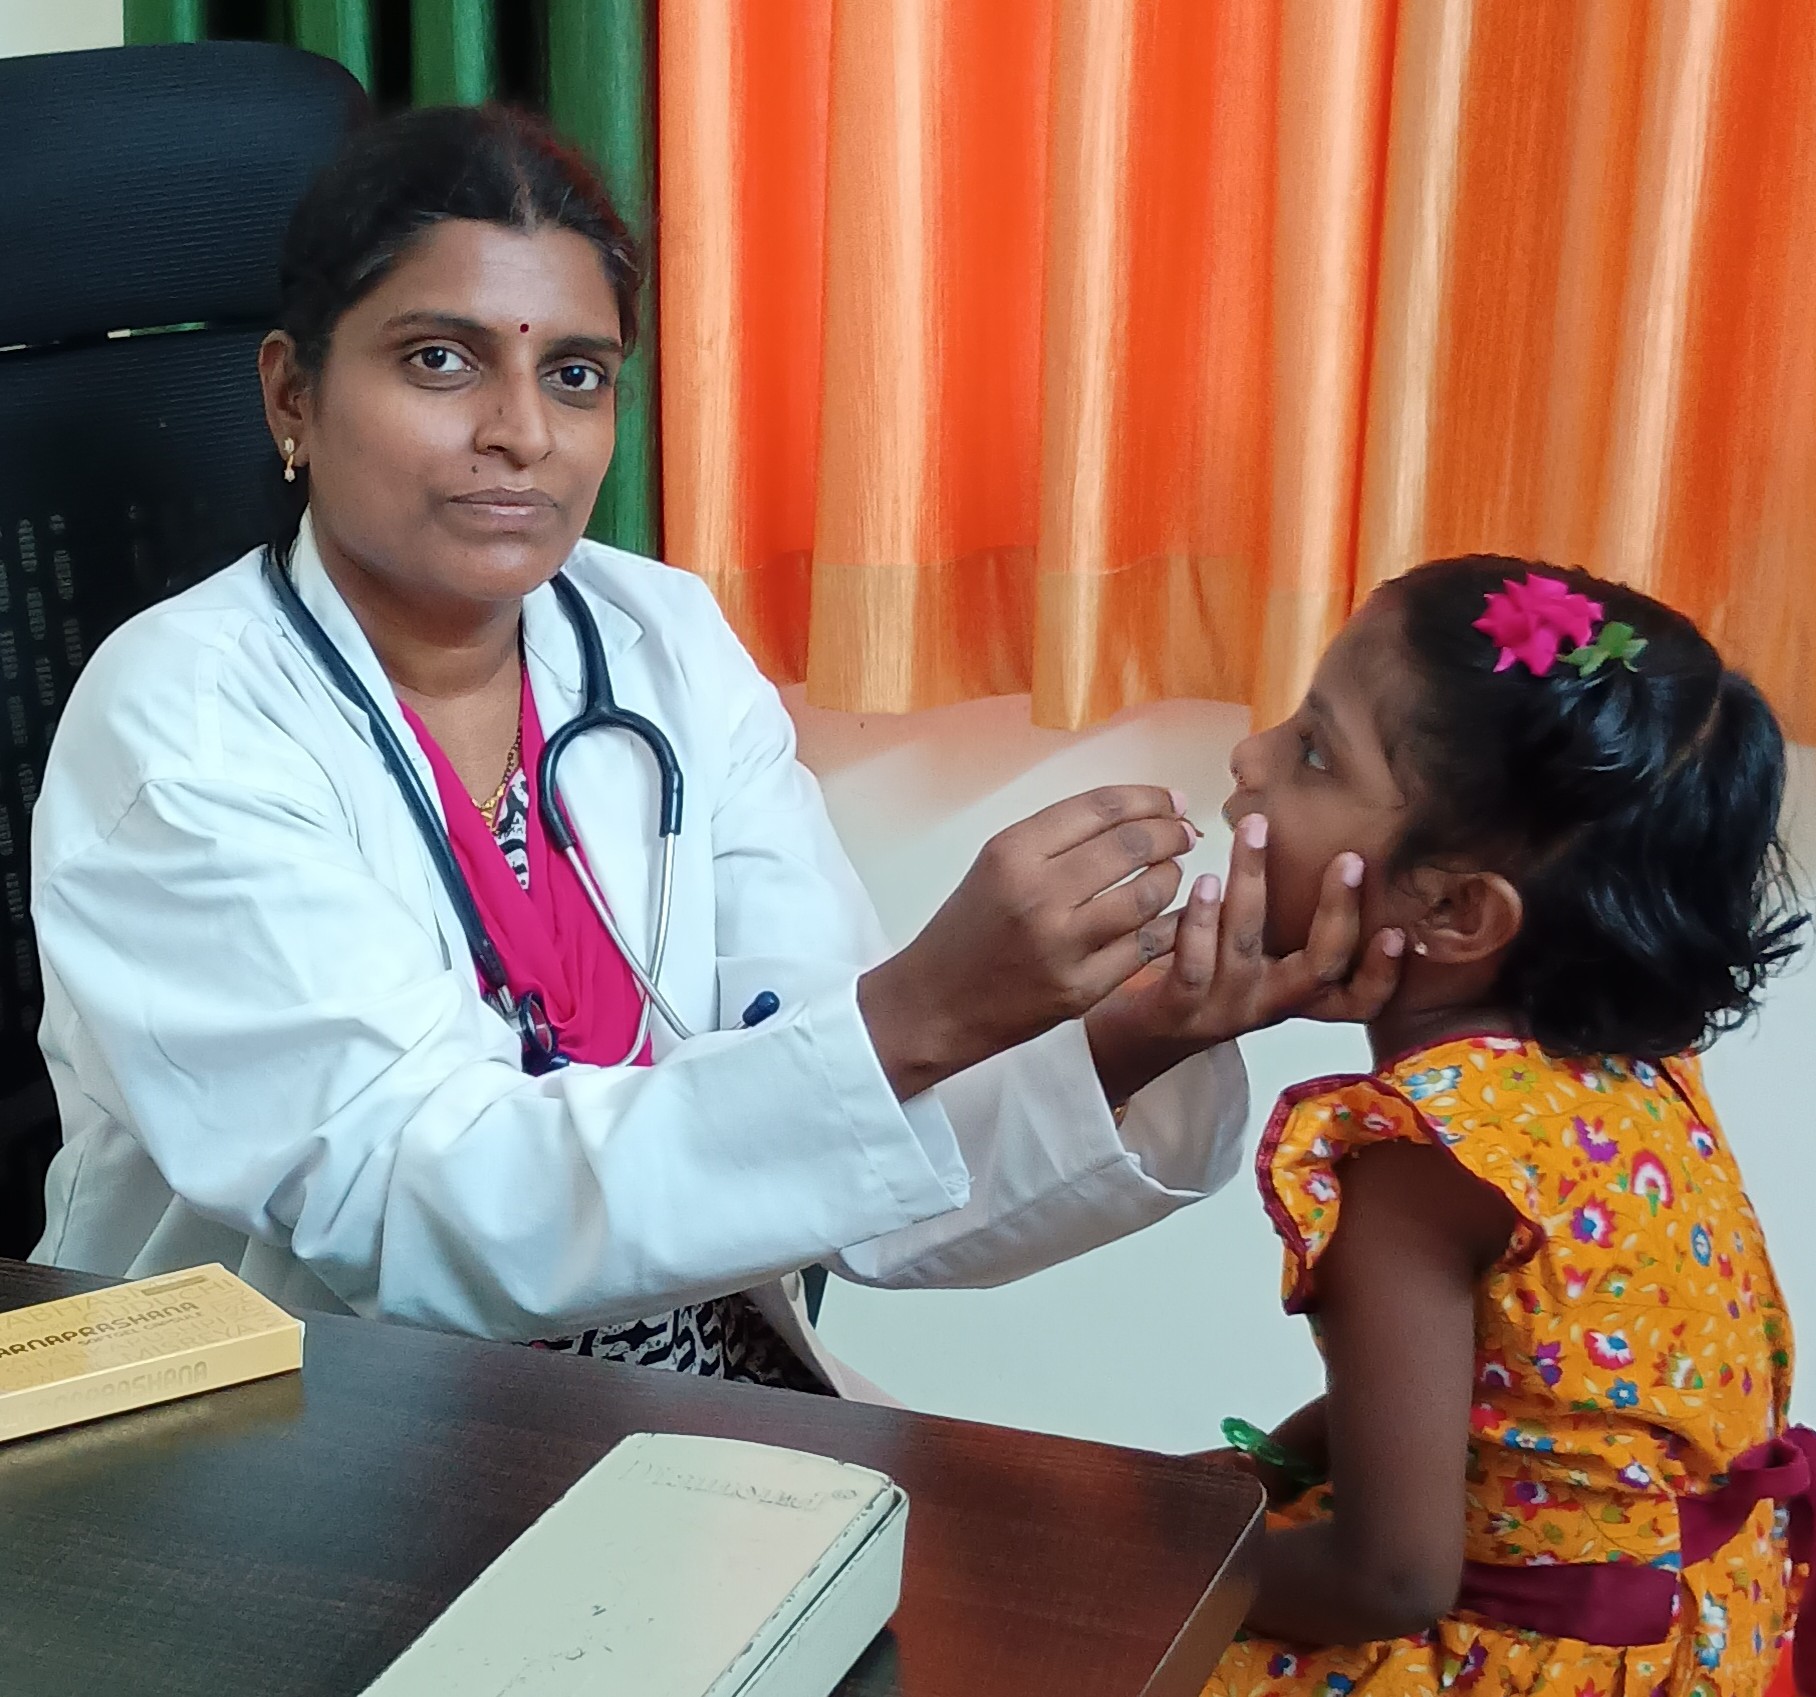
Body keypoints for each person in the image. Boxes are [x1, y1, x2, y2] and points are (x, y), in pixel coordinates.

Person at [27, 106, 1399, 1398]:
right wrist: (922, 1008)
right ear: (290, 394)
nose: (520, 433)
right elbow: (410, 1212)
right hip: (328, 1433)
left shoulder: (657, 637)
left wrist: (1132, 1033)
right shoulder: (184, 722)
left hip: (693, 1412)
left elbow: (841, 1142)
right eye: (439, 359)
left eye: (575, 374)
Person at [1202, 557, 1811, 1695]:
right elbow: (1486, 1409)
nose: (1249, 758)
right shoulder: (1628, 1077)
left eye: (1312, 751)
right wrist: (1260, 1469)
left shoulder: (1417, 1160)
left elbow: (1388, 1579)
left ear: (1452, 909)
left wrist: (1151, 1552)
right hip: (1703, 1640)